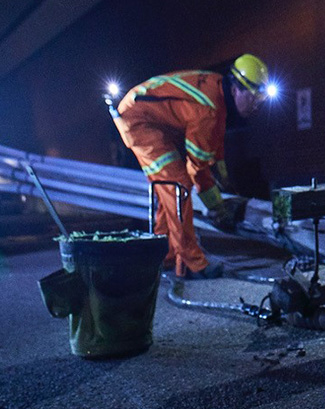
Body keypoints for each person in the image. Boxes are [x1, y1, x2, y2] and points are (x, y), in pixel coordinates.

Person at [113, 54, 270, 279]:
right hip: (139, 121)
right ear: (237, 89)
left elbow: (213, 143)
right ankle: (192, 263)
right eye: (255, 98)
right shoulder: (209, 108)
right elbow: (198, 168)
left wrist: (223, 174)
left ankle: (162, 256)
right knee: (177, 186)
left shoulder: (217, 91)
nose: (257, 105)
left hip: (146, 116)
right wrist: (217, 206)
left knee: (168, 190)